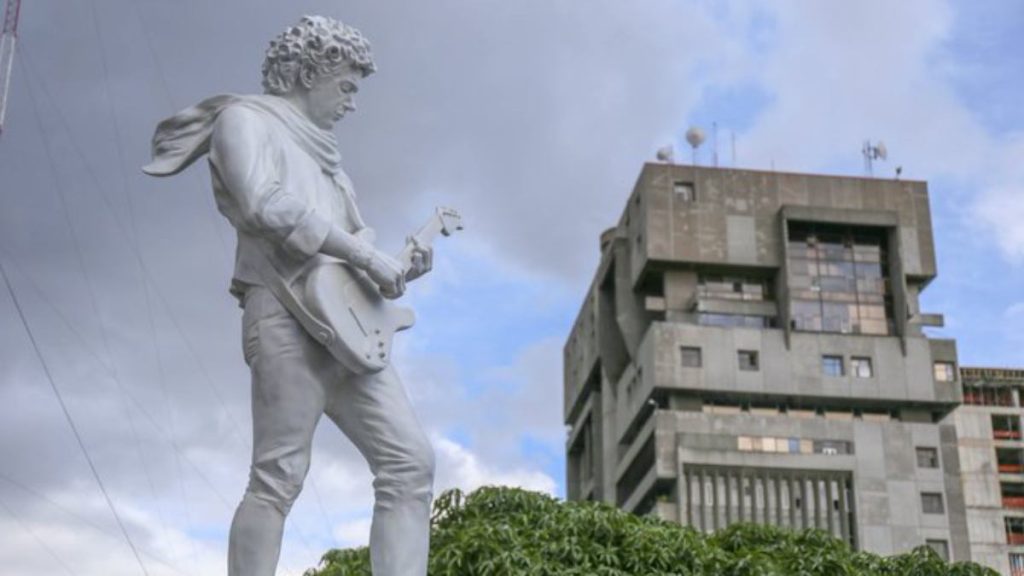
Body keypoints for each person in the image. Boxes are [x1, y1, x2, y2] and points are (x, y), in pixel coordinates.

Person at [143, 15, 434, 576]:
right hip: (284, 315)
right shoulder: (243, 120)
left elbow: (352, 266)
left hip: (348, 332)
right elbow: (262, 202)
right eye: (347, 86)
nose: (352, 103)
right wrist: (362, 253)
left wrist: (400, 269)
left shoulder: (334, 168)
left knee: (410, 462)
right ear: (308, 71)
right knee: (279, 474)